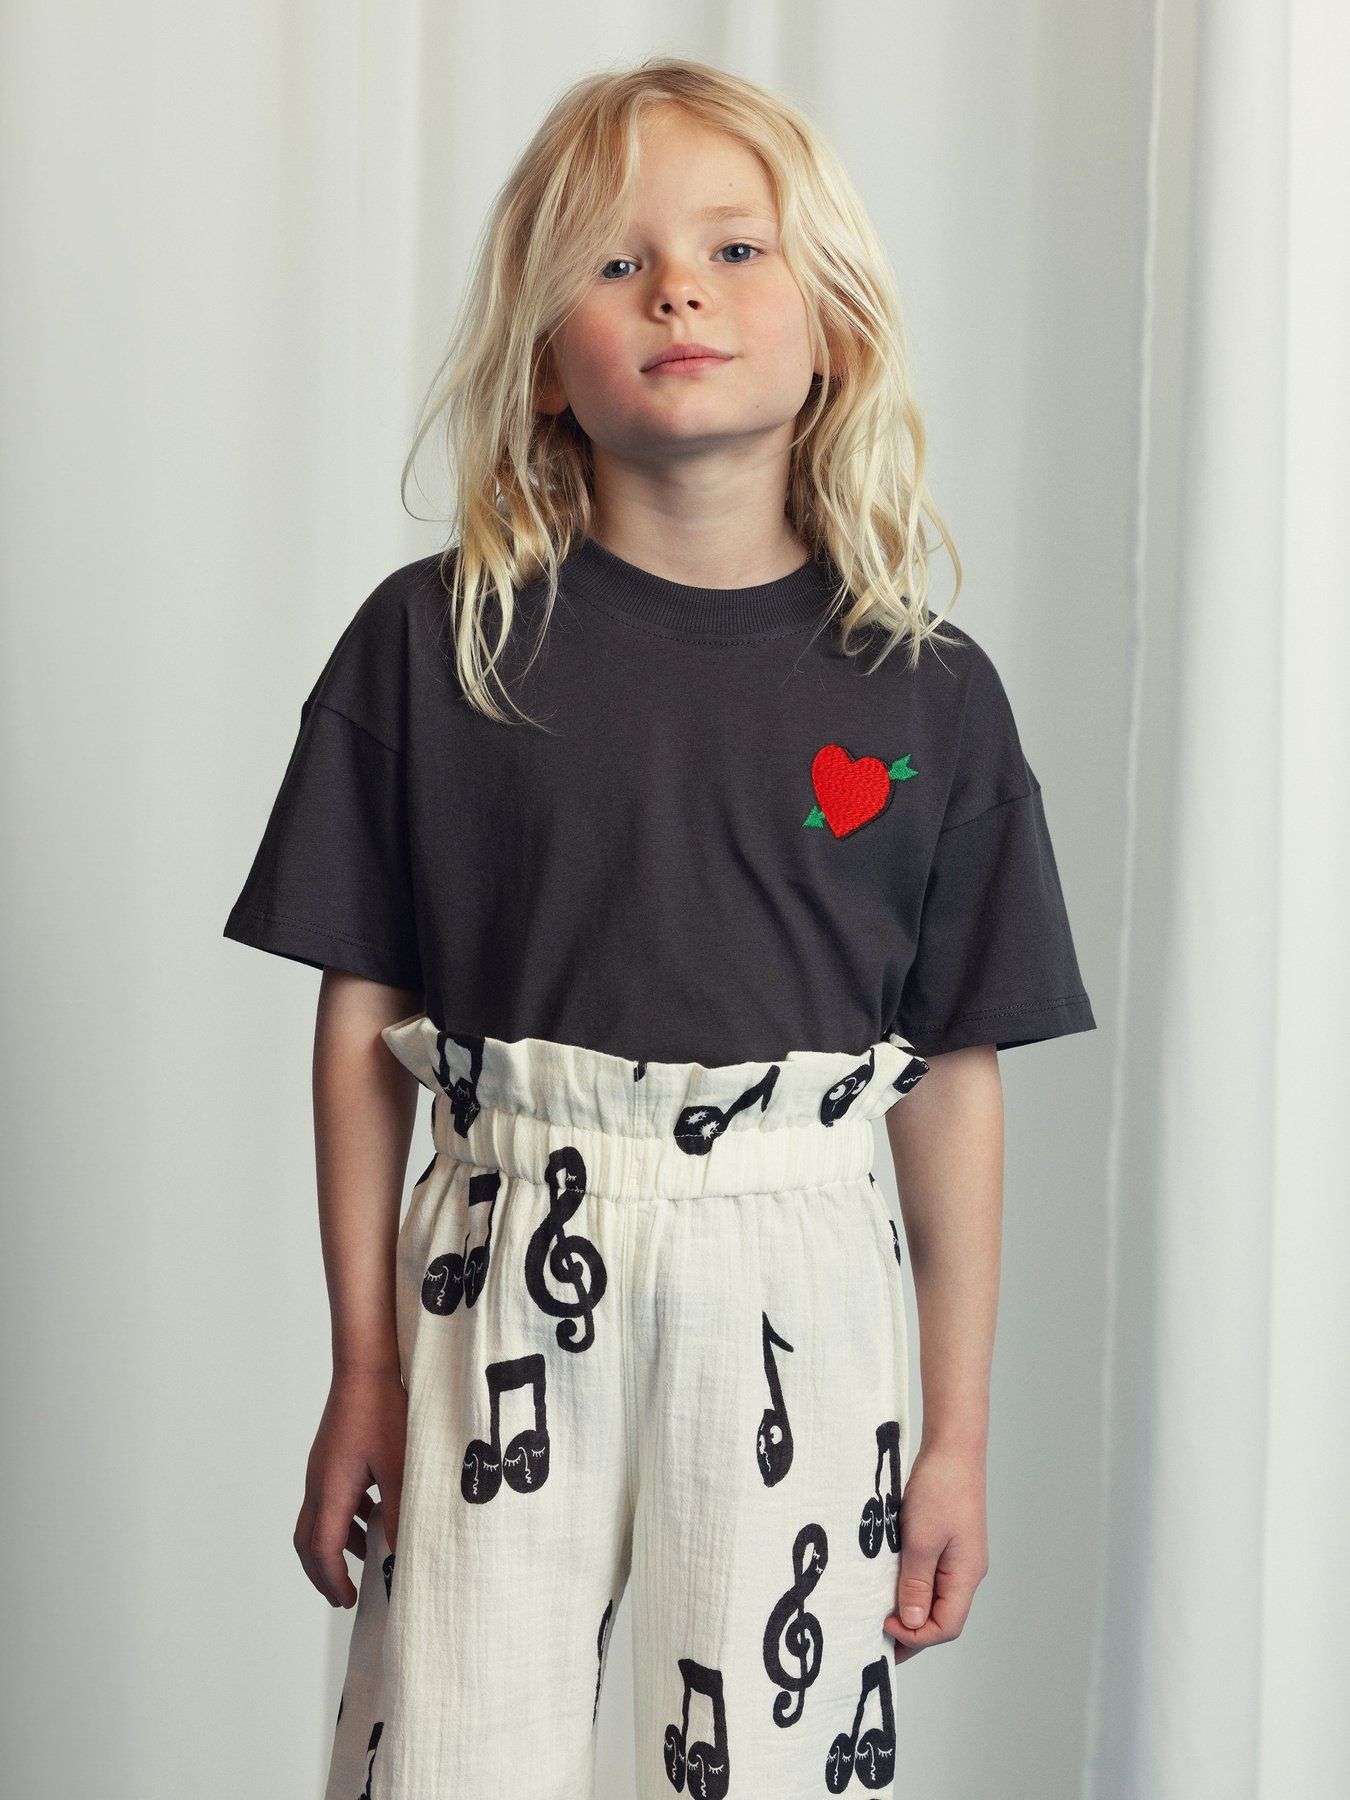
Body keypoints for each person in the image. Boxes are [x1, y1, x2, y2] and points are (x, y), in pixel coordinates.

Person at [222, 55, 1096, 1800]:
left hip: (797, 1262)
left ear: (830, 325)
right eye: (615, 263)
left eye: (733, 250)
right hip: (501, 1252)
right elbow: (361, 1018)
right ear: (546, 360)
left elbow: (949, 1076)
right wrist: (363, 1366)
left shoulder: (927, 693)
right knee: (452, 1751)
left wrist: (956, 1438)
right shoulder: (436, 644)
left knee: (770, 1766)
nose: (677, 290)